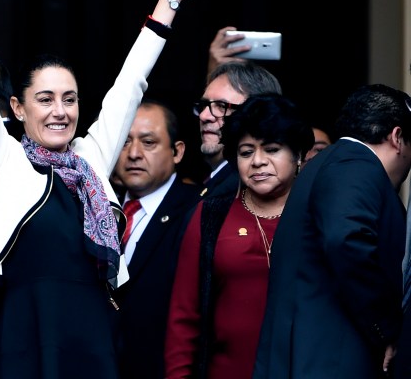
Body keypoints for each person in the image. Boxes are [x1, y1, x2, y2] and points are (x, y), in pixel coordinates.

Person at [0, 0, 213, 377]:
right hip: (24, 333)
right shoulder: (2, 158)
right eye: (45, 99)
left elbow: (132, 81)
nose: (60, 111)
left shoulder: (92, 157)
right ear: (18, 109)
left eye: (70, 99)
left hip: (92, 334)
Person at [253, 84, 411, 379]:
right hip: (330, 362)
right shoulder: (356, 164)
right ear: (397, 138)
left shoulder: (327, 163)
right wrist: (385, 326)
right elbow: (346, 240)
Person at [164, 94, 313, 379]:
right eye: (246, 152)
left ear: (297, 155)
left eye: (271, 149)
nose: (257, 161)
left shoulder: (317, 217)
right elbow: (183, 318)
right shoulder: (209, 216)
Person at [110, 99, 201, 379]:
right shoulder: (97, 205)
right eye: (124, 142)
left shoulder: (196, 210)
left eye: (148, 143)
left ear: (177, 152)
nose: (134, 153)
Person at [195, 60, 283, 198]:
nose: (204, 116)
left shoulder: (246, 190)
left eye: (222, 106)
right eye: (204, 105)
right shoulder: (218, 183)